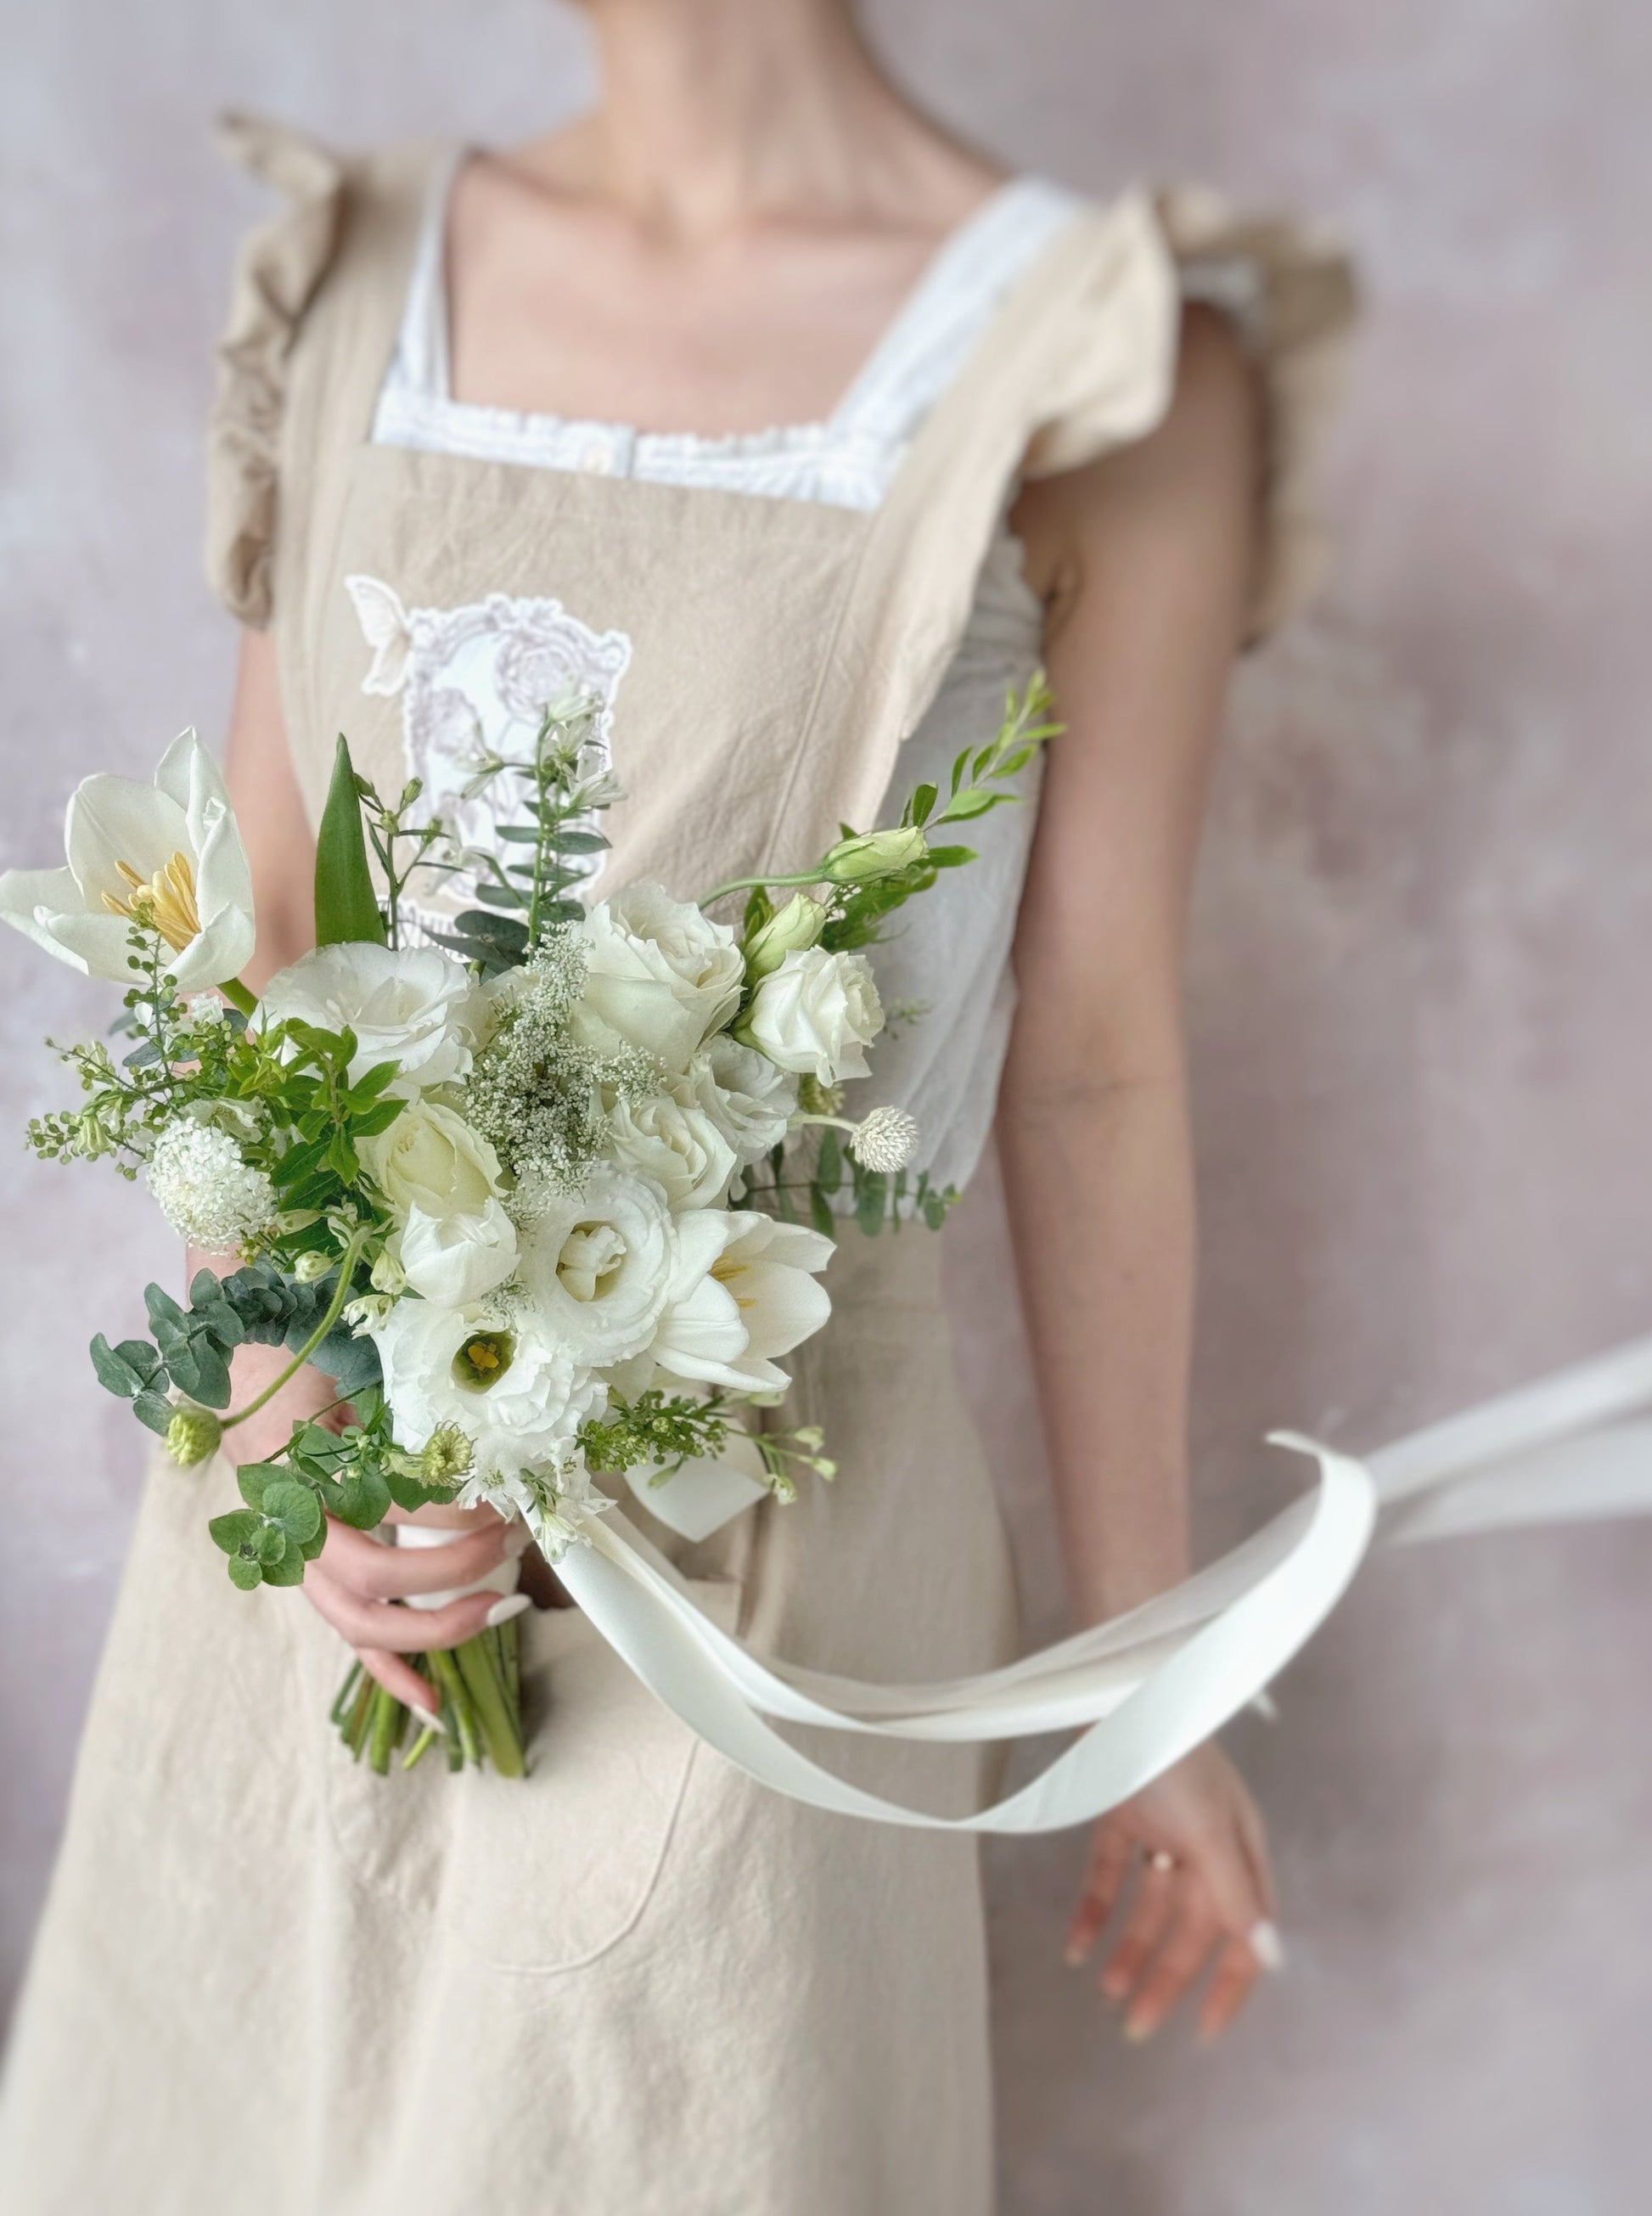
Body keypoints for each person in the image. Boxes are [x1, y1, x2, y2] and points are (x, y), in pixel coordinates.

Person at [0, 1, 1354, 2208]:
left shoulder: (1097, 364)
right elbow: (269, 919)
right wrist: (276, 1418)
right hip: (316, 1537)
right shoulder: (356, 278)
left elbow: (1095, 1056)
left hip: (769, 1572)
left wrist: (1149, 1672)